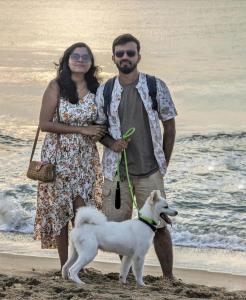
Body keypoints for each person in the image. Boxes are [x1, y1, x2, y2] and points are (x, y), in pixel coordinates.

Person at [95, 34, 177, 280]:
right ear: (113, 58)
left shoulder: (155, 86)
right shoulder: (105, 90)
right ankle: (129, 276)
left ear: (138, 56)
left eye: (130, 53)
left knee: (160, 226)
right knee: (119, 229)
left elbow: (170, 126)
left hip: (150, 170)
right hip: (115, 173)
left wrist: (163, 163)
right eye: (120, 54)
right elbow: (98, 129)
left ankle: (169, 278)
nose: (125, 57)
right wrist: (112, 143)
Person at [34, 42, 107, 269]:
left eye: (86, 57)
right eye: (75, 56)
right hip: (58, 157)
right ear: (67, 60)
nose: (80, 60)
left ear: (91, 63)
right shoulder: (56, 86)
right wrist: (82, 129)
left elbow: (101, 122)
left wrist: (101, 134)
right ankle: (65, 265)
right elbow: (44, 124)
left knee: (82, 212)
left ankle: (78, 264)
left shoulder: (97, 89)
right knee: (59, 212)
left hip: (85, 158)